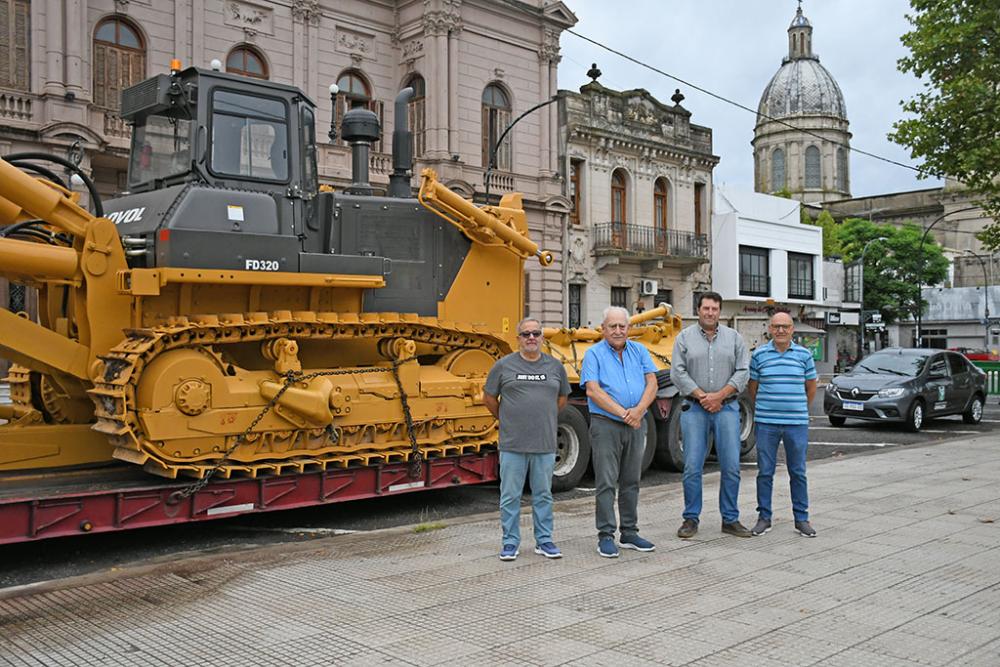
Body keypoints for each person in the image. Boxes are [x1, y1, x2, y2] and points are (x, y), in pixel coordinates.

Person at [483, 317, 571, 561]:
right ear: (518, 338)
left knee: (543, 494)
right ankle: (510, 543)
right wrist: (507, 418)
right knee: (510, 495)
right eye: (526, 334)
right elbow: (489, 398)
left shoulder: (555, 367)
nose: (531, 338)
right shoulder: (503, 366)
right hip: (513, 444)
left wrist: (545, 417)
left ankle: (544, 541)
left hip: (544, 443)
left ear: (542, 337)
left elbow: (562, 399)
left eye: (536, 333)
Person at [670, 292, 751, 539]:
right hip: (695, 408)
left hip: (726, 408)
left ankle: (730, 519)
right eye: (706, 308)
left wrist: (718, 396)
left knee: (731, 466)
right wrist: (704, 396)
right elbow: (678, 372)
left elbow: (742, 373)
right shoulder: (684, 338)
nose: (710, 312)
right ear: (698, 310)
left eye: (715, 309)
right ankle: (690, 519)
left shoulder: (735, 338)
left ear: (720, 312)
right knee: (692, 467)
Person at [580, 306, 658, 558]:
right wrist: (625, 413)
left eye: (621, 326)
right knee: (605, 482)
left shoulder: (640, 351)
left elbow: (652, 383)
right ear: (603, 329)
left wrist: (638, 411)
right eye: (611, 326)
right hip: (607, 425)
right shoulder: (593, 354)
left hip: (636, 423)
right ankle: (605, 535)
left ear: (628, 328)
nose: (617, 330)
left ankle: (629, 533)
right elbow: (593, 390)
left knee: (631, 480)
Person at [747, 312, 818, 537]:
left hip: (796, 423)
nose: (780, 330)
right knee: (764, 472)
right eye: (776, 326)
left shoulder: (804, 355)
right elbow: (753, 387)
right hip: (766, 423)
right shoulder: (759, 355)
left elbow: (811, 387)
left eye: (785, 327)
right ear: (770, 328)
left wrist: (798, 408)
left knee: (798, 472)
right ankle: (764, 518)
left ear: (792, 330)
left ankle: (801, 519)